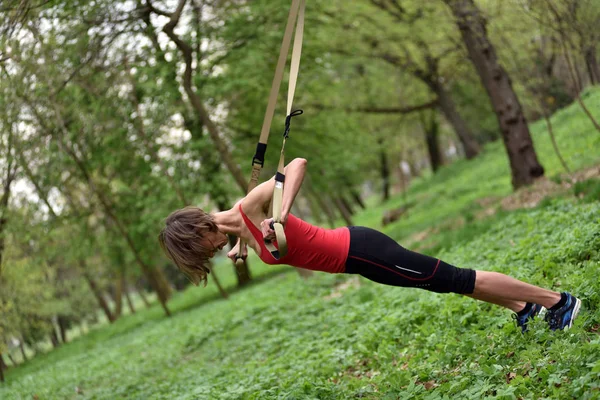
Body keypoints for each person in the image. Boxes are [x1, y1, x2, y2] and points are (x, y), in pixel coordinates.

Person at [158, 158, 581, 332]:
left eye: (206, 249)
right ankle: (523, 307)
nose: (215, 254)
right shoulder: (236, 228)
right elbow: (244, 234)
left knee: (457, 278)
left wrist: (281, 217)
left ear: (202, 230)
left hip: (362, 249)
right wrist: (244, 246)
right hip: (360, 261)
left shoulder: (250, 208)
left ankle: (557, 300)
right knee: (452, 284)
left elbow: (297, 165)